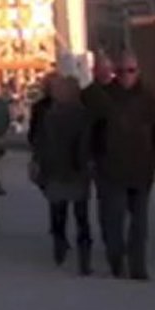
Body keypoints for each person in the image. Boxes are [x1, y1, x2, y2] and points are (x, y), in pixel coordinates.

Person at [94, 54, 155, 281]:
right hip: (111, 169)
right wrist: (91, 159)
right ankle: (117, 261)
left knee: (139, 223)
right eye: (121, 71)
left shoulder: (150, 100)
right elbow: (91, 132)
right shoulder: (104, 99)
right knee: (113, 219)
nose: (126, 76)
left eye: (131, 70)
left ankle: (138, 267)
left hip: (141, 168)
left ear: (138, 71)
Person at [30, 75, 94, 275]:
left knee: (59, 211)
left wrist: (40, 165)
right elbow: (86, 144)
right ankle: (84, 256)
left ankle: (59, 243)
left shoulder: (50, 115)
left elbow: (41, 143)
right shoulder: (83, 115)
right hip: (77, 171)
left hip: (56, 170)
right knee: (81, 216)